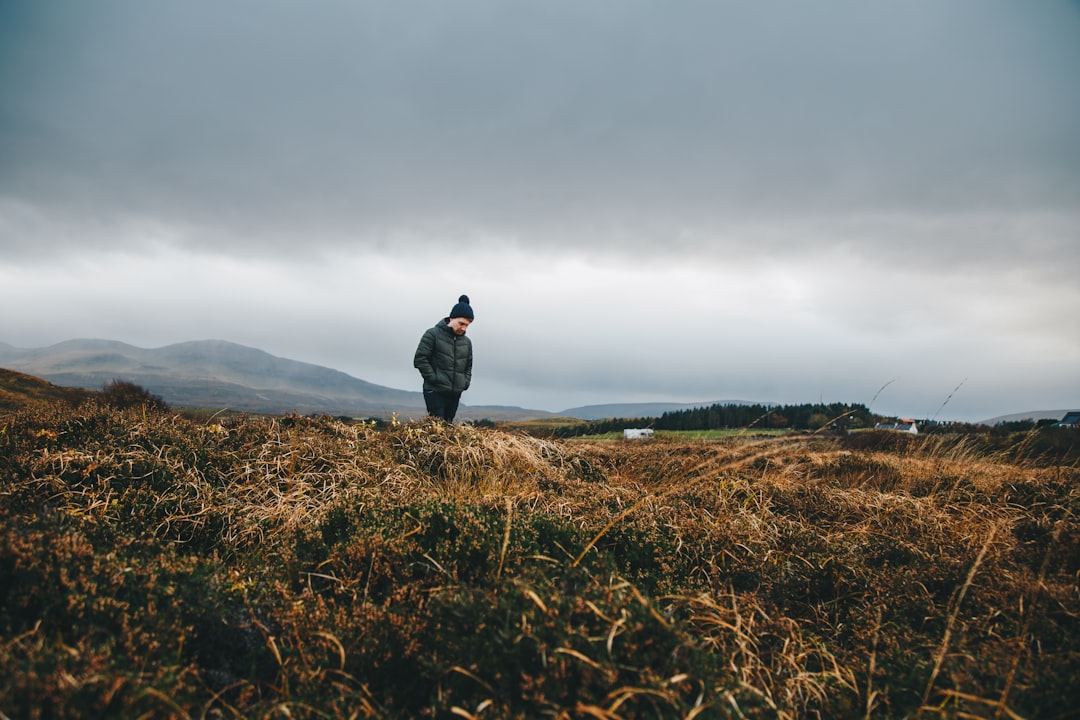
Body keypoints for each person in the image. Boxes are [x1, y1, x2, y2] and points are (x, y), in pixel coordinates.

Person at [413, 294, 474, 421]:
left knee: (447, 427)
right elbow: (420, 359)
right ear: (452, 318)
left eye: (467, 325)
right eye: (461, 323)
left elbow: (468, 366)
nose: (464, 328)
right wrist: (434, 378)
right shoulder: (432, 334)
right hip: (435, 392)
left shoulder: (467, 342)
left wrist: (464, 383)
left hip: (455, 393)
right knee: (437, 428)